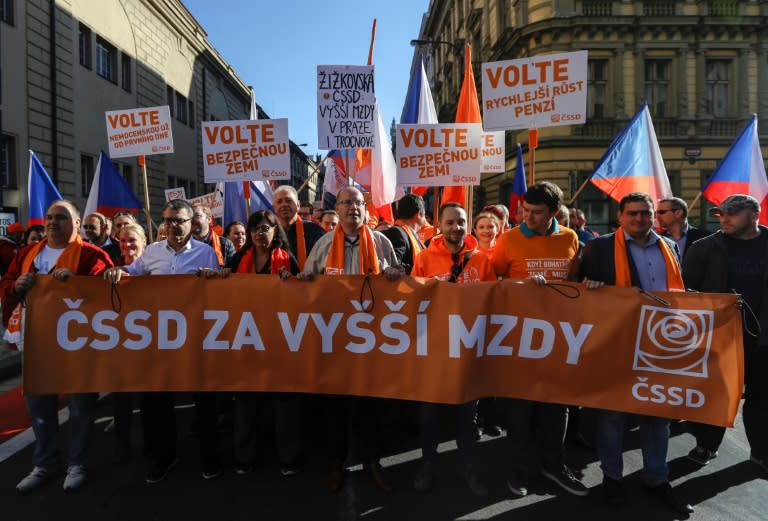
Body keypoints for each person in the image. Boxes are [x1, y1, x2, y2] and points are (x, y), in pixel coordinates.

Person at [579, 192, 693, 515]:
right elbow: (581, 288)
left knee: (657, 413)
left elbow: (679, 292)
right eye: (633, 214)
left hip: (661, 344)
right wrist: (591, 285)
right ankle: (612, 478)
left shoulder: (668, 247)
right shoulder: (599, 248)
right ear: (620, 216)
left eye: (645, 213)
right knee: (613, 415)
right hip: (617, 342)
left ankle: (656, 478)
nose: (640, 219)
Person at [103, 199, 220, 484]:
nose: (172, 226)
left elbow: (219, 292)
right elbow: (134, 275)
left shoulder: (206, 253)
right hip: (160, 343)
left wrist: (213, 277)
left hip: (195, 340)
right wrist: (119, 272)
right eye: (167, 220)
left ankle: (210, 457)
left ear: (191, 223)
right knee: (157, 405)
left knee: (203, 402)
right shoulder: (152, 253)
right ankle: (164, 457)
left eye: (179, 220)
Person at [1, 200, 113, 493]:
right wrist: (16, 286)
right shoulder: (27, 253)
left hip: (79, 344)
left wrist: (78, 283)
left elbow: (111, 293)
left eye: (61, 218)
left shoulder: (91, 254)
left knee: (80, 406)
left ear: (76, 224)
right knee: (39, 406)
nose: (52, 222)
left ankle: (77, 462)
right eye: (49, 217)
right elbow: (7, 284)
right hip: (37, 341)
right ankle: (45, 463)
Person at [298, 186, 400, 493]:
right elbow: (307, 281)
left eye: (358, 203)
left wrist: (395, 272)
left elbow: (398, 277)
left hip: (371, 341)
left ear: (365, 209)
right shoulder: (324, 244)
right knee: (336, 409)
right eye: (346, 203)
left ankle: (372, 461)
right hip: (336, 342)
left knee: (371, 408)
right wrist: (304, 280)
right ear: (337, 210)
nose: (352, 208)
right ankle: (336, 463)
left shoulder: (381, 243)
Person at [491, 181, 587, 499]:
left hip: (559, 339)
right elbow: (492, 283)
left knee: (557, 409)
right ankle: (519, 470)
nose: (528, 218)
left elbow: (575, 282)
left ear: (555, 213)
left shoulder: (571, 238)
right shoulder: (508, 239)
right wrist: (520, 285)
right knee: (519, 411)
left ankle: (553, 465)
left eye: (536, 213)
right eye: (525, 211)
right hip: (519, 338)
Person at [410, 202, 494, 496]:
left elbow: (494, 302)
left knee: (467, 420)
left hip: (468, 353)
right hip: (433, 353)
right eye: (450, 223)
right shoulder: (423, 259)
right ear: (439, 224)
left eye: (461, 222)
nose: (456, 228)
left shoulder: (482, 260)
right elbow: (412, 302)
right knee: (429, 417)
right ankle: (427, 466)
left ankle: (470, 470)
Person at [682, 194, 768, 474]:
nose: (725, 218)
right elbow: (686, 291)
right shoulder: (705, 247)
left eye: (733, 213)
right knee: (717, 393)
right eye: (721, 213)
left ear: (754, 215)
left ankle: (761, 453)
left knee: (762, 396)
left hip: (763, 338)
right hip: (719, 336)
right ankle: (707, 445)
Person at [225, 210, 302, 476]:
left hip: (279, 340)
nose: (260, 233)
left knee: (283, 402)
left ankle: (287, 457)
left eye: (266, 228)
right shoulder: (236, 260)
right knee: (245, 402)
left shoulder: (287, 260)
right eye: (256, 228)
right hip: (246, 339)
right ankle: (244, 456)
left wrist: (292, 283)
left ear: (274, 232)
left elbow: (303, 296)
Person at [111, 223, 148, 462]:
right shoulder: (112, 267)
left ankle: (149, 444)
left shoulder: (153, 267)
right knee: (121, 399)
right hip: (121, 344)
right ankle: (123, 446)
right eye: (123, 241)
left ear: (144, 242)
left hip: (151, 344)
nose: (127, 245)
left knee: (148, 400)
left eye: (132, 240)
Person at [273, 185, 325, 271]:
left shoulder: (315, 232)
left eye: (288, 201)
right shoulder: (271, 233)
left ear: (298, 205)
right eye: (279, 202)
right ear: (274, 207)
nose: (284, 204)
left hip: (308, 282)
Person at [382, 193, 426, 274]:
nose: (425, 221)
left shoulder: (408, 233)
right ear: (418, 214)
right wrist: (417, 268)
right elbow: (393, 266)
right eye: (424, 216)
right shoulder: (396, 233)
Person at [656, 197, 710, 261]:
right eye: (656, 213)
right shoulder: (657, 240)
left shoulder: (705, 238)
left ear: (678, 213)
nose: (657, 216)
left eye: (662, 212)